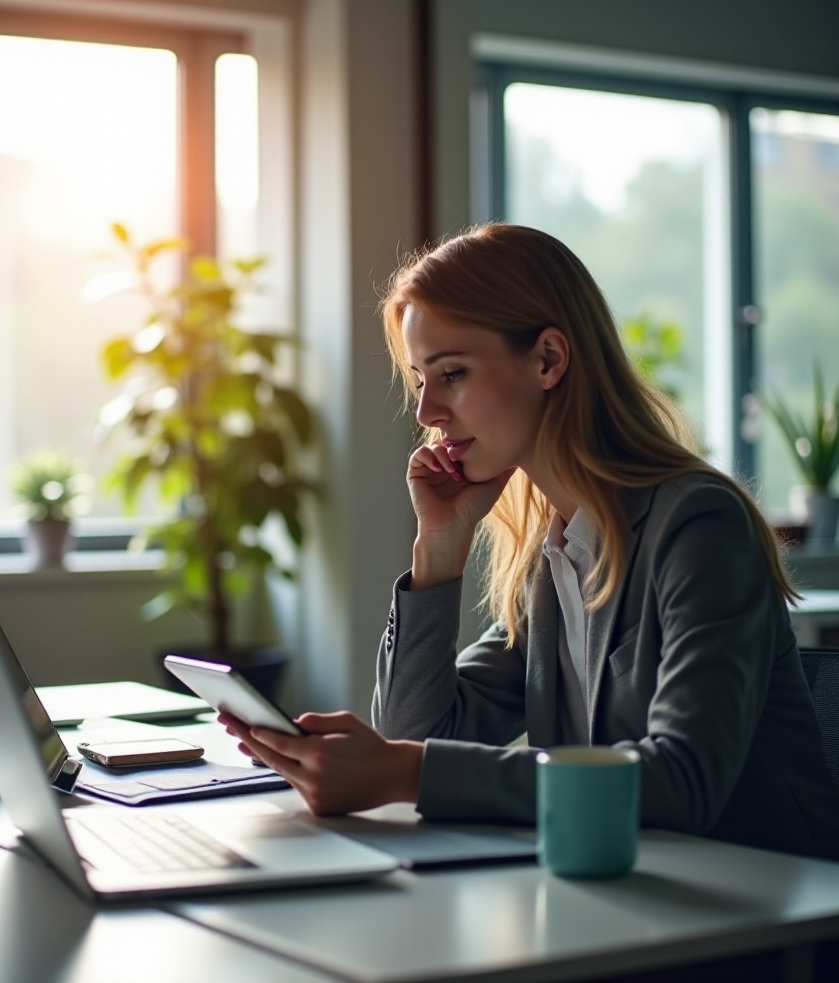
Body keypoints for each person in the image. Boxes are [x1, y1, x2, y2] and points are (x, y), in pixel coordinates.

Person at [221, 222, 839, 862]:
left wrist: (404, 771)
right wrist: (439, 549)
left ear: (548, 359)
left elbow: (683, 783)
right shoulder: (556, 553)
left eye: (452, 372)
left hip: (761, 918)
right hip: (626, 898)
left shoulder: (699, 524)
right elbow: (415, 731)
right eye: (420, 379)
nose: (428, 412)